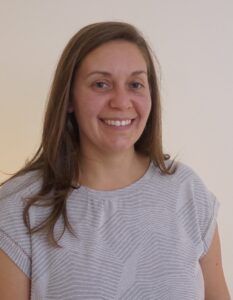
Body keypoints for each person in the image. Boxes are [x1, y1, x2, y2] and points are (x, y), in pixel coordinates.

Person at [0, 21, 230, 300]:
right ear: (69, 98)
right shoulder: (17, 209)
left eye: (135, 84)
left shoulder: (188, 192)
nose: (121, 102)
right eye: (101, 84)